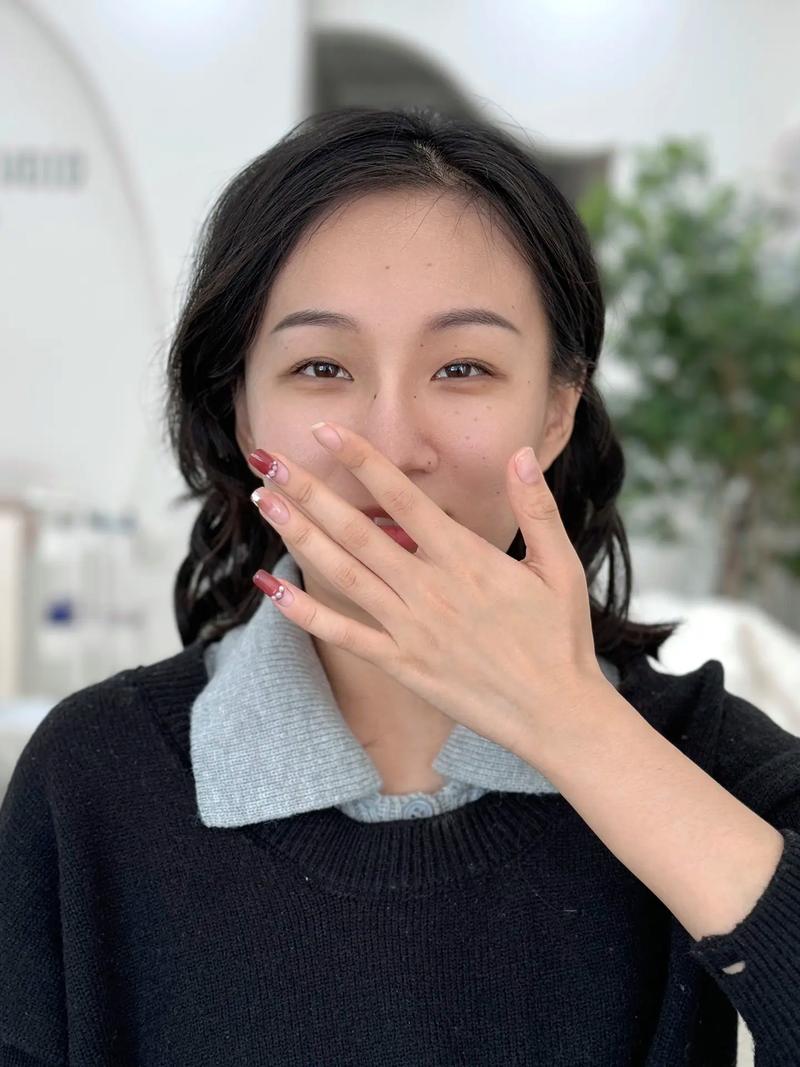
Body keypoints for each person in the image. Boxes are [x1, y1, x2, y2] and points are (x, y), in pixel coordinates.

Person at [1, 106, 799, 1066]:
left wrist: (574, 728)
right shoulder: (92, 778)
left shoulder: (697, 757)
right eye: (320, 366)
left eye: (462, 367)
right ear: (241, 409)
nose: (389, 445)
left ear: (555, 412)